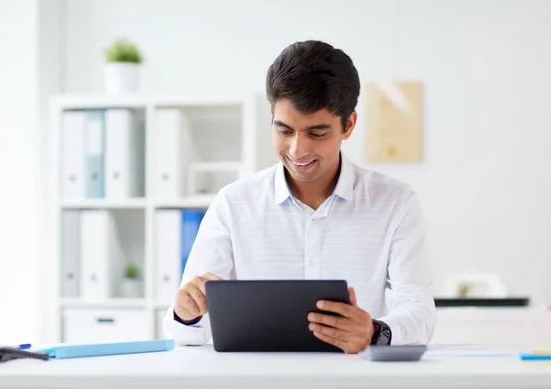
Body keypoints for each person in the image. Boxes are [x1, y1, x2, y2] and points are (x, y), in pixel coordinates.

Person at [163, 40, 436, 353]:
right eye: (284, 130)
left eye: (317, 133)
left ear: (348, 125)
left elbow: (420, 314)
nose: (297, 150)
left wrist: (376, 332)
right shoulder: (233, 204)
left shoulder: (395, 203)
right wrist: (186, 314)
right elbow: (183, 333)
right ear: (271, 116)